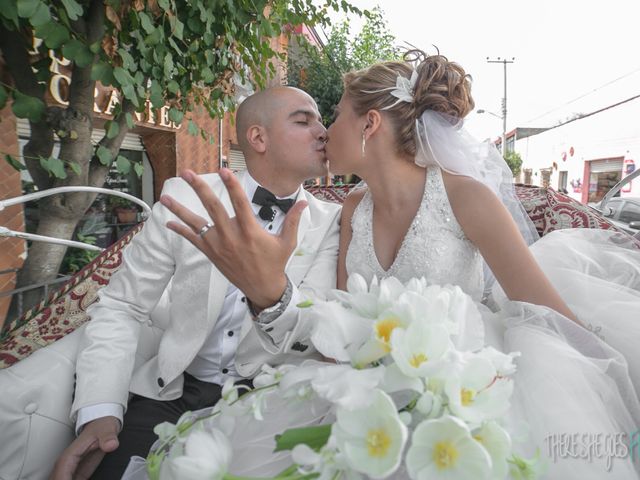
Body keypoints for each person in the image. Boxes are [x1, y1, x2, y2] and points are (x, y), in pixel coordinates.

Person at [325, 51, 640, 478]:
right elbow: (343, 316)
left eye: (337, 114)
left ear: (370, 123)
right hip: (371, 400)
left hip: (467, 388)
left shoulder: (464, 197)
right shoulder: (352, 207)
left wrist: (616, 385)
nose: (327, 129)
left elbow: (546, 308)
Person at [51, 86, 341, 479]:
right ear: (258, 138)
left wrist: (271, 292)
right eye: (304, 120)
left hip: (270, 400)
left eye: (321, 121)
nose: (323, 131)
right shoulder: (186, 196)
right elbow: (123, 306)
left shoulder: (331, 223)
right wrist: (100, 410)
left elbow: (316, 330)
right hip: (172, 391)